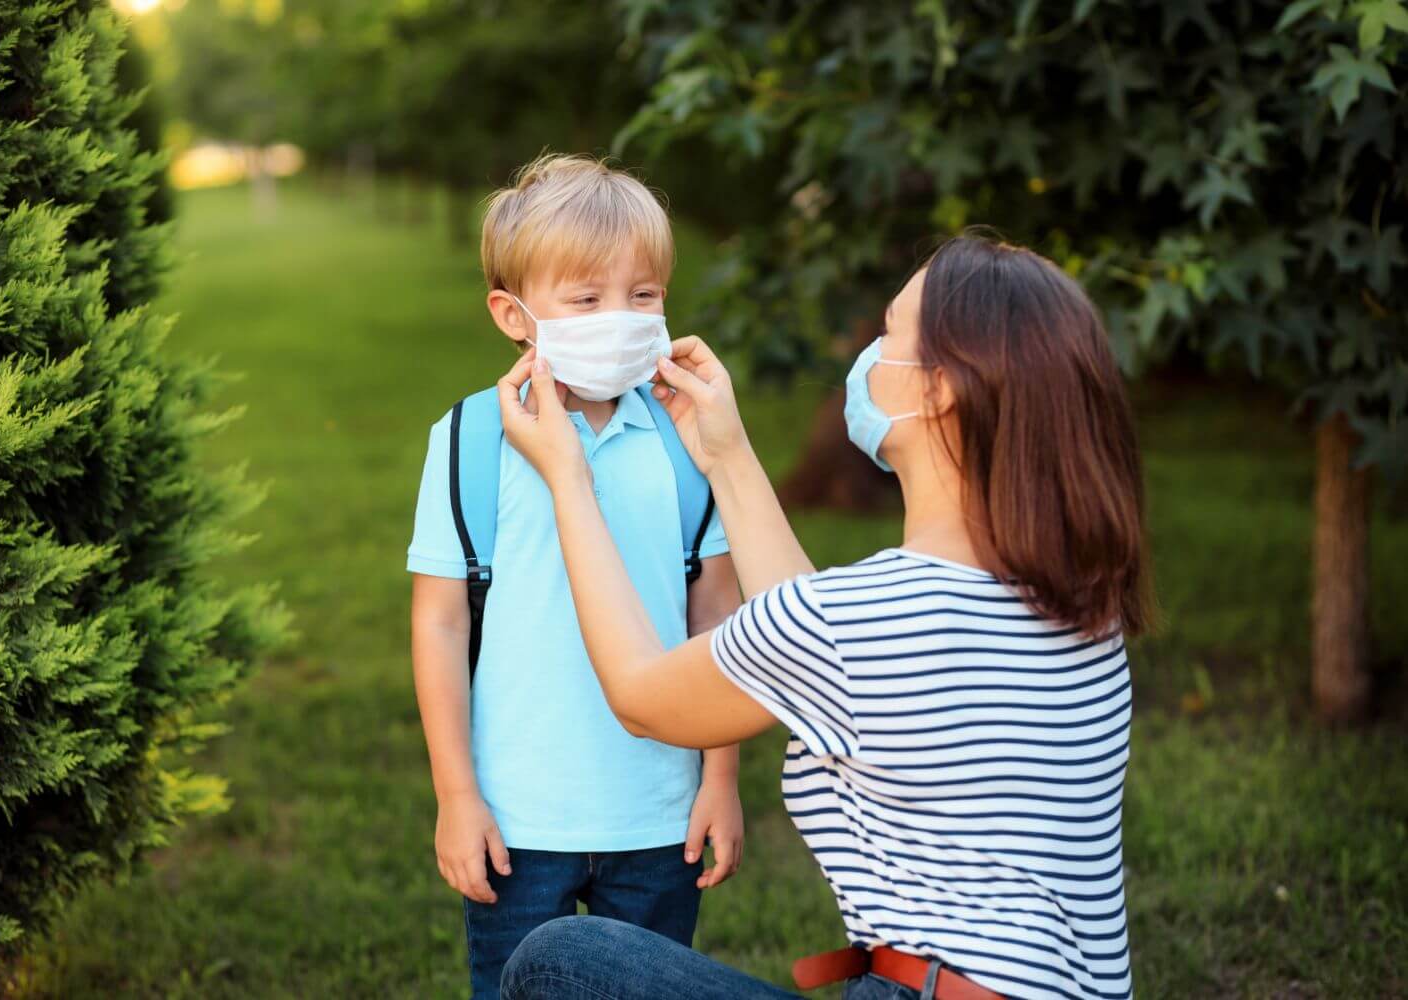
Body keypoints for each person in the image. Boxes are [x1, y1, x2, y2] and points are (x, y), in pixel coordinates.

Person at [494, 233, 1153, 1000]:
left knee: (559, 962)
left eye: (890, 334)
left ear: (938, 388)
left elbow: (643, 694)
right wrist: (727, 455)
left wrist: (568, 478)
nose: (869, 355)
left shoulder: (857, 621)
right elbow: (812, 638)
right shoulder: (1079, 608)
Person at [407, 154, 745, 1000]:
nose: (621, 319)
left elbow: (720, 615)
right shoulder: (469, 442)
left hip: (659, 817)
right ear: (513, 315)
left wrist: (721, 778)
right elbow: (440, 622)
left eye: (645, 296)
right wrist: (457, 795)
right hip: (518, 821)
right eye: (587, 299)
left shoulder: (687, 439)